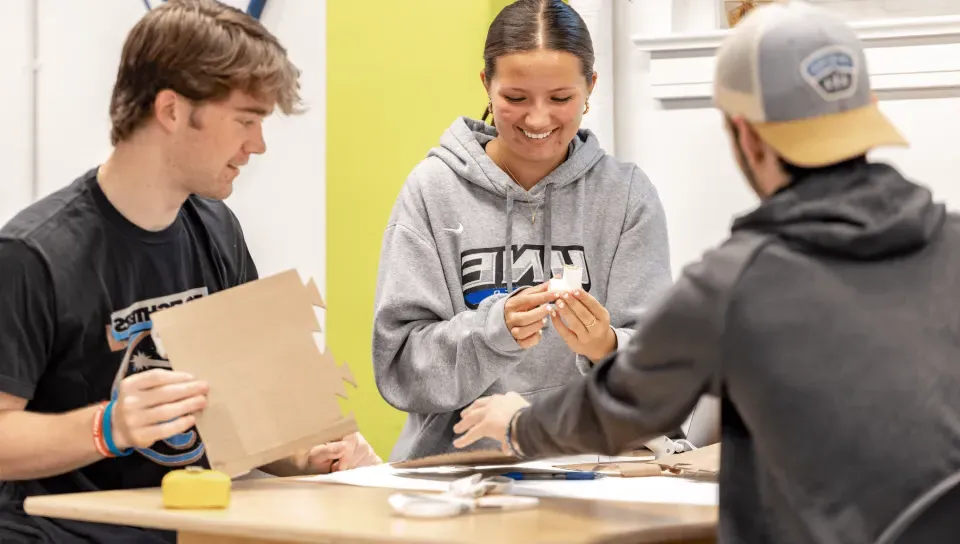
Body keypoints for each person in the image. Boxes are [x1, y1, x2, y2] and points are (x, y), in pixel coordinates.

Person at [453, 3, 960, 543]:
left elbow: (619, 409)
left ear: (745, 135)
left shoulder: (736, 282)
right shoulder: (951, 241)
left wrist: (516, 423)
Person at [0, 2, 379, 543]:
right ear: (172, 111)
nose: (258, 144)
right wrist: (107, 427)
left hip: (192, 530)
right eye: (246, 120)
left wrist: (311, 452)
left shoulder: (217, 228)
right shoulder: (31, 255)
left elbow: (253, 417)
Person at [372, 0, 672, 462]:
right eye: (515, 98)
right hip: (455, 475)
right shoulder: (433, 190)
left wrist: (606, 345)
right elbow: (401, 373)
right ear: (486, 86)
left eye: (560, 98)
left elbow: (663, 374)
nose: (537, 120)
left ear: (591, 87)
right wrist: (492, 331)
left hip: (591, 469)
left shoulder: (627, 195)